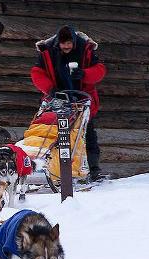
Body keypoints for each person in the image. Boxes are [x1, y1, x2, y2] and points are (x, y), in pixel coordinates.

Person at [30, 25, 107, 181]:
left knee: (87, 135)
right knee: (50, 133)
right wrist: (50, 89)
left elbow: (100, 70)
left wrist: (84, 74)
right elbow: (37, 73)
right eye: (63, 43)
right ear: (58, 42)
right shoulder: (48, 51)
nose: (66, 47)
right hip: (56, 100)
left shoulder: (86, 49)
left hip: (83, 100)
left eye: (69, 43)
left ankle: (94, 169)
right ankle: (50, 169)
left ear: (74, 42)